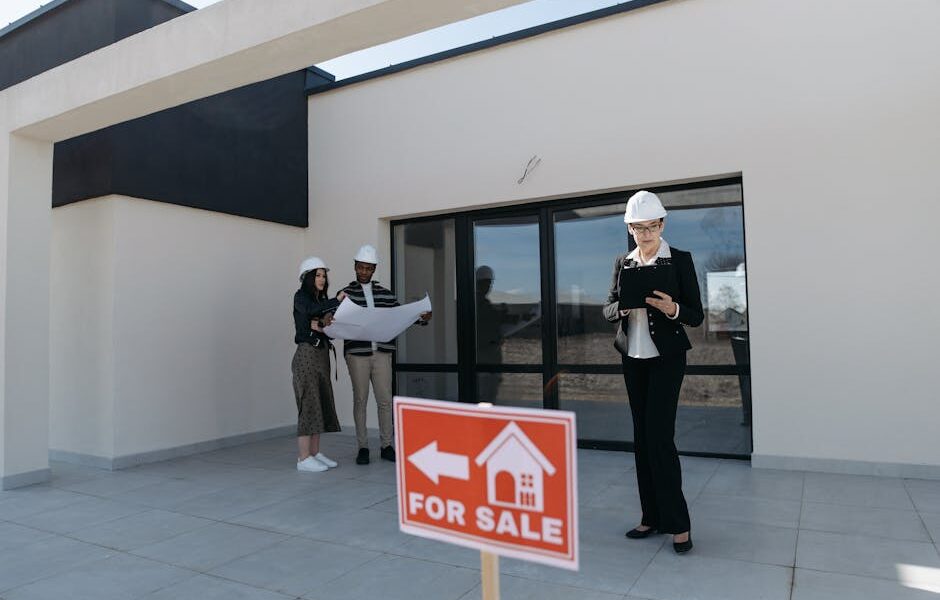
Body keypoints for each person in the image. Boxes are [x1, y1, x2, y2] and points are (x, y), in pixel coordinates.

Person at [603, 190, 704, 554]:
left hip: (666, 359)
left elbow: (696, 315)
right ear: (629, 229)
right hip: (633, 358)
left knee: (660, 438)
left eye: (651, 226)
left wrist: (672, 308)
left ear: (662, 225)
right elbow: (607, 307)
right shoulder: (623, 262)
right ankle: (651, 517)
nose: (645, 234)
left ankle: (678, 524)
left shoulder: (679, 260)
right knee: (642, 440)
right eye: (638, 228)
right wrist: (622, 309)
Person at [343, 244, 431, 465]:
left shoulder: (385, 294)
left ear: (374, 269)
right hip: (357, 354)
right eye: (361, 267)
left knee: (384, 400)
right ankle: (363, 447)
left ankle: (386, 445)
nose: (364, 271)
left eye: (368, 268)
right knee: (360, 400)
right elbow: (335, 318)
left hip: (382, 353)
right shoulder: (347, 294)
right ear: (355, 266)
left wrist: (421, 317)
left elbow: (401, 316)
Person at [292, 256, 346, 472]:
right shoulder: (301, 297)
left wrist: (325, 324)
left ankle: (314, 453)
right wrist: (336, 300)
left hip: (321, 355)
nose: (322, 279)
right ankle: (303, 458)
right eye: (318, 275)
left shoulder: (319, 301)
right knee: (309, 404)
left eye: (324, 275)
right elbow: (310, 313)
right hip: (307, 355)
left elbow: (323, 326)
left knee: (320, 403)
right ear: (308, 278)